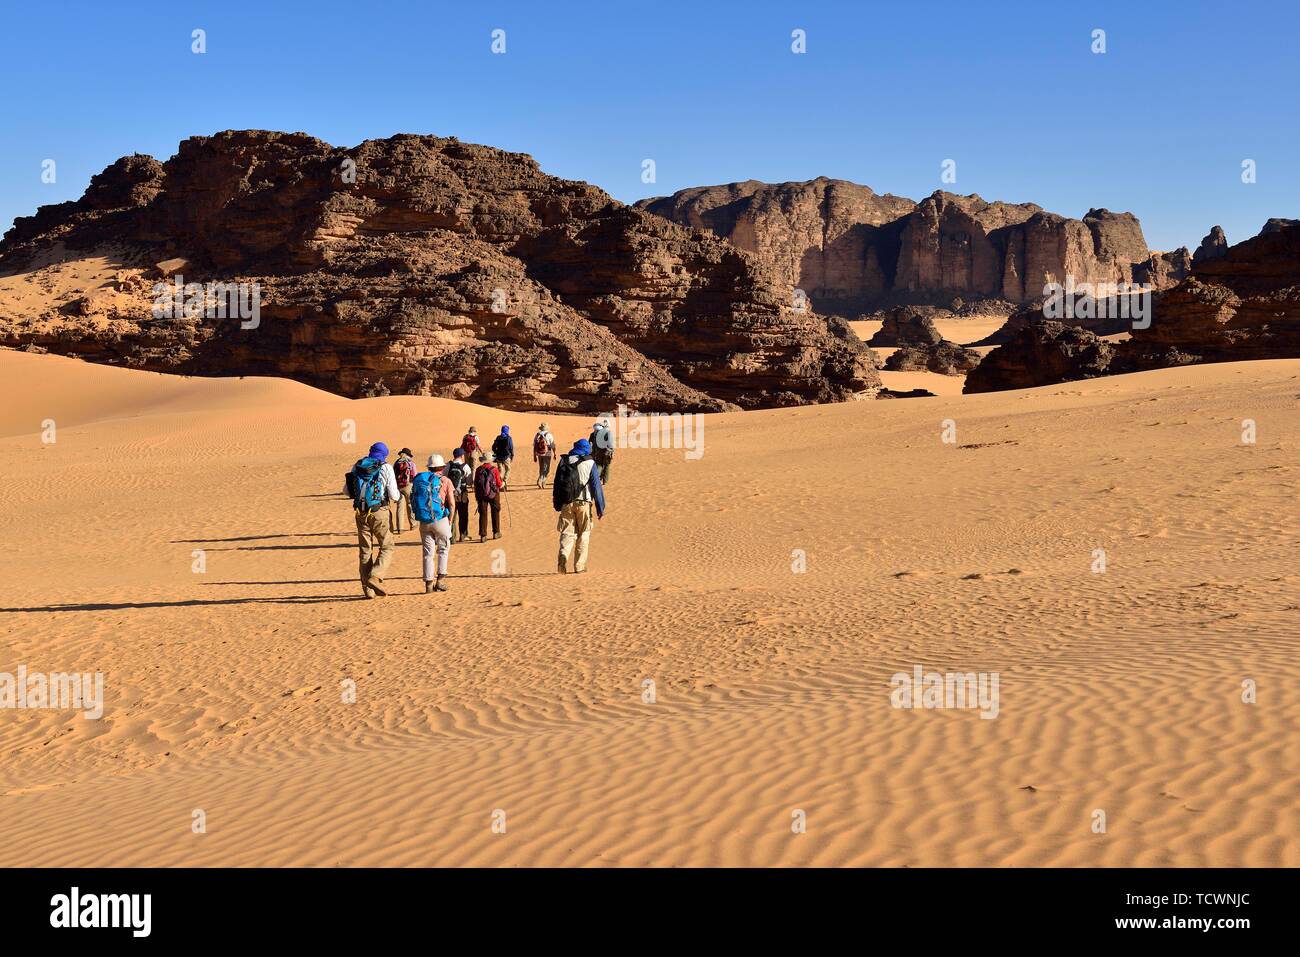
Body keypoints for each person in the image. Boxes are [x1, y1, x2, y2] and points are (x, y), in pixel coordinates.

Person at [347, 441, 400, 597]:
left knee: (365, 551)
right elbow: (394, 494)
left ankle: (368, 590)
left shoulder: (357, 466)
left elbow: (346, 490)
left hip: (360, 512)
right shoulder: (386, 467)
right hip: (379, 512)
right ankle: (376, 576)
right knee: (387, 546)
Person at [553, 438, 606, 574]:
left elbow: (557, 484)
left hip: (567, 502)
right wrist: (600, 508)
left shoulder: (564, 460)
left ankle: (563, 554)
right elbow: (596, 487)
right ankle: (579, 566)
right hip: (584, 504)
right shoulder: (590, 462)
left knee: (567, 532)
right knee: (584, 533)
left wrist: (557, 503)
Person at [411, 454, 456, 593]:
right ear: (442, 467)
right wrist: (450, 520)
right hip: (440, 519)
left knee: (427, 553)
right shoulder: (445, 481)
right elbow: (452, 503)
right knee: (443, 549)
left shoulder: (421, 480)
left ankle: (428, 584)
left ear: (429, 467)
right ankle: (440, 581)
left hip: (424, 521)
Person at [443, 448, 473, 544]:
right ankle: (463, 535)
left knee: (451, 515)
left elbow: (444, 477)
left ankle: (451, 537)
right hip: (462, 494)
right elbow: (469, 481)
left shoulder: (448, 465)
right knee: (463, 515)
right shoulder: (465, 466)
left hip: (450, 493)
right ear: (461, 456)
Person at [474, 452, 504, 541]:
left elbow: (475, 483)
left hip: (481, 494)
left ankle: (483, 535)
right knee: (495, 512)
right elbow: (499, 483)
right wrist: (503, 484)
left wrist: (477, 495)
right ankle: (496, 532)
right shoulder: (494, 469)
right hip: (494, 494)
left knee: (483, 514)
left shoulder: (479, 469)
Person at [391, 448, 417, 533]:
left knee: (399, 506)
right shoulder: (411, 463)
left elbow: (393, 474)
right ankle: (413, 524)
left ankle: (400, 528)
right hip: (408, 485)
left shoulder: (396, 463)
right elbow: (414, 475)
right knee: (410, 504)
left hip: (398, 486)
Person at [589, 419, 614, 486]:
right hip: (605, 452)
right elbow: (610, 444)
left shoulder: (596, 433)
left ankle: (598, 480)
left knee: (599, 465)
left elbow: (591, 443)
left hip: (600, 452)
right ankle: (603, 481)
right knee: (604, 466)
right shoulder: (607, 433)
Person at [533, 421, 556, 488]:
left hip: (539, 453)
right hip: (547, 453)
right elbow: (552, 445)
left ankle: (543, 483)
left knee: (541, 468)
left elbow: (534, 446)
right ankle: (540, 480)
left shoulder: (537, 435)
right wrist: (554, 453)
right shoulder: (549, 435)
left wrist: (534, 456)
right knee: (547, 469)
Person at [491, 425, 514, 490]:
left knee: (500, 471)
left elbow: (493, 447)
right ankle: (504, 482)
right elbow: (511, 448)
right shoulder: (509, 438)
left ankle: (500, 483)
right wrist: (512, 455)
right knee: (508, 469)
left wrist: (496, 452)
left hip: (499, 457)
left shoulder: (498, 437)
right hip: (506, 457)